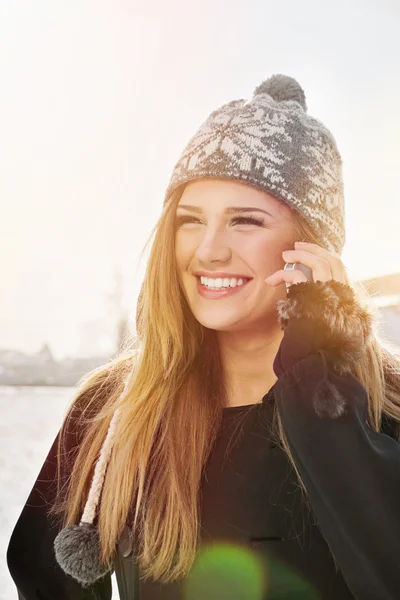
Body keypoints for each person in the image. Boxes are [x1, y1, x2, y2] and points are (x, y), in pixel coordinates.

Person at [7, 73, 400, 600]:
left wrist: (316, 382)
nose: (208, 250)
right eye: (190, 221)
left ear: (312, 247)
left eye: (246, 221)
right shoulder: (112, 411)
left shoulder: (385, 407)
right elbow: (40, 572)